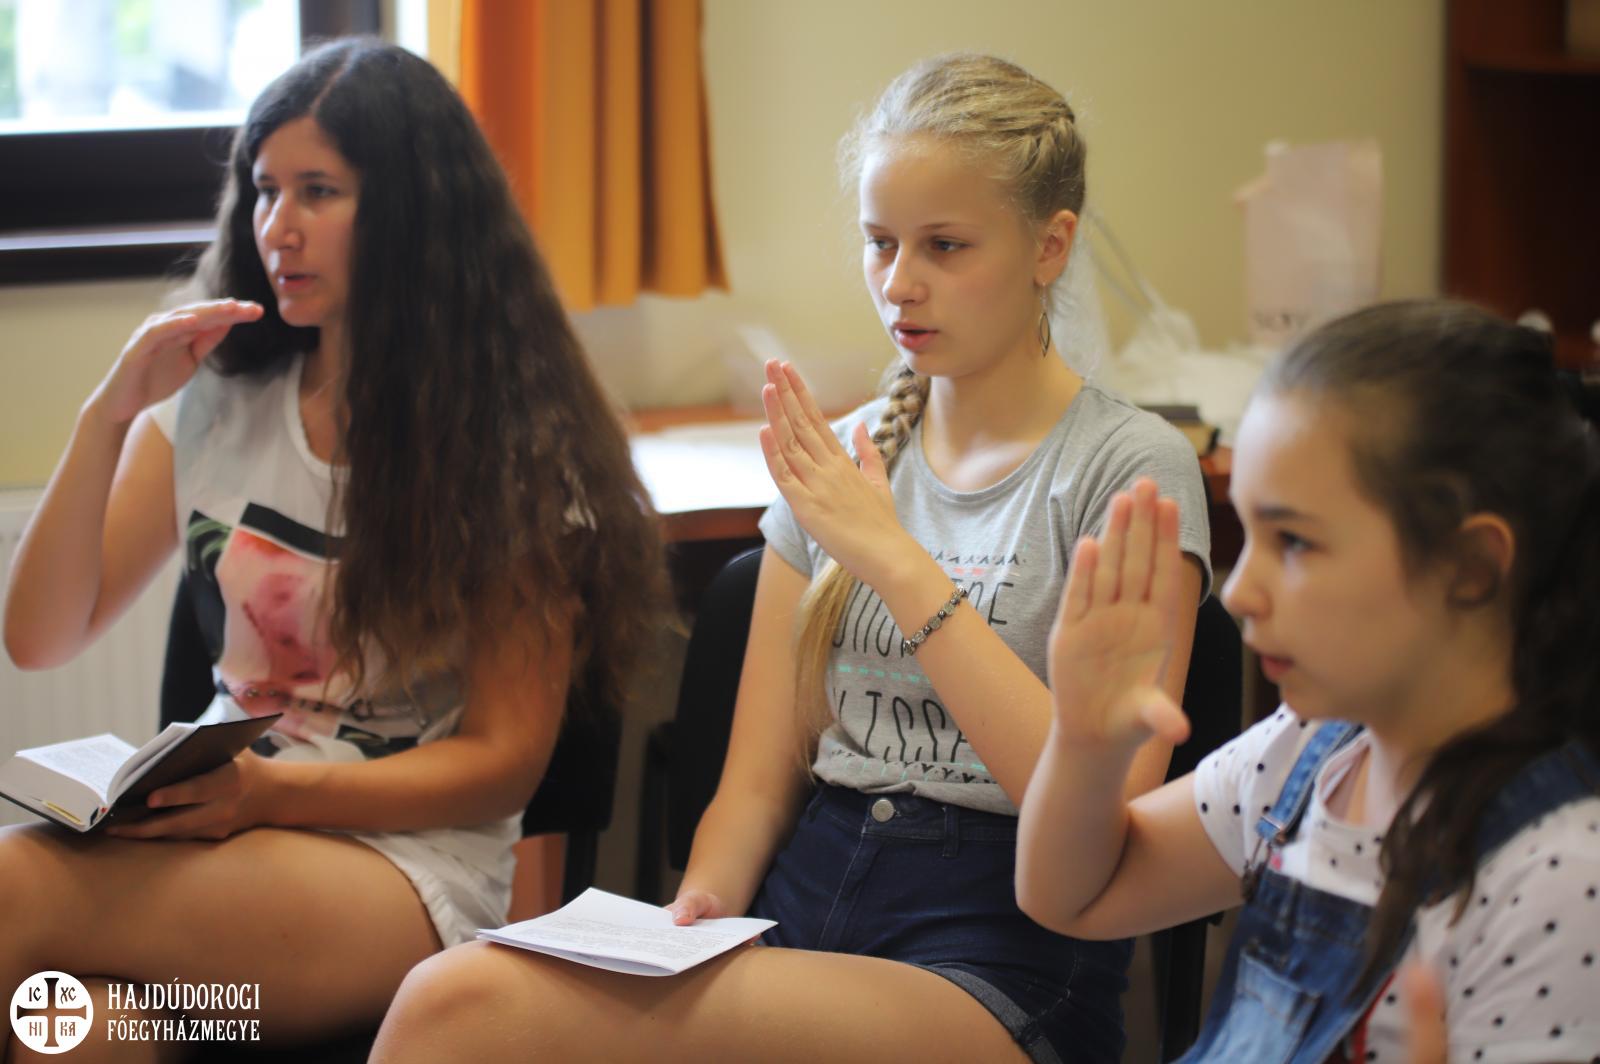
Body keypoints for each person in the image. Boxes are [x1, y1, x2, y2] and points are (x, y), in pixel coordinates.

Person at [371, 53, 1210, 1064]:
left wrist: (896, 561)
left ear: (1050, 245)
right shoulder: (841, 457)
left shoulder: (1130, 467)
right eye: (880, 243)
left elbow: (1105, 818)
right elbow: (759, 786)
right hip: (808, 905)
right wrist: (696, 911)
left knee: (457, 1000)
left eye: (945, 245)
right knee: (463, 1003)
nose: (899, 283)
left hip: (1002, 953)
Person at [0, 37, 662, 1057]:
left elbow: (501, 765)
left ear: (412, 210)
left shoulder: (512, 449)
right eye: (265, 190)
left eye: (319, 191)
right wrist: (107, 415)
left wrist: (272, 793)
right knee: (74, 1028)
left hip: (403, 880)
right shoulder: (216, 401)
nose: (278, 226)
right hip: (231, 841)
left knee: (13, 889)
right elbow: (38, 638)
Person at [1016, 300, 1600, 1063]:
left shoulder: (1558, 876)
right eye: (1251, 533)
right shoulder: (1307, 754)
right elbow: (1072, 898)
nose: (1238, 592)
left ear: (1470, 566)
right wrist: (1086, 746)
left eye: (1293, 541)